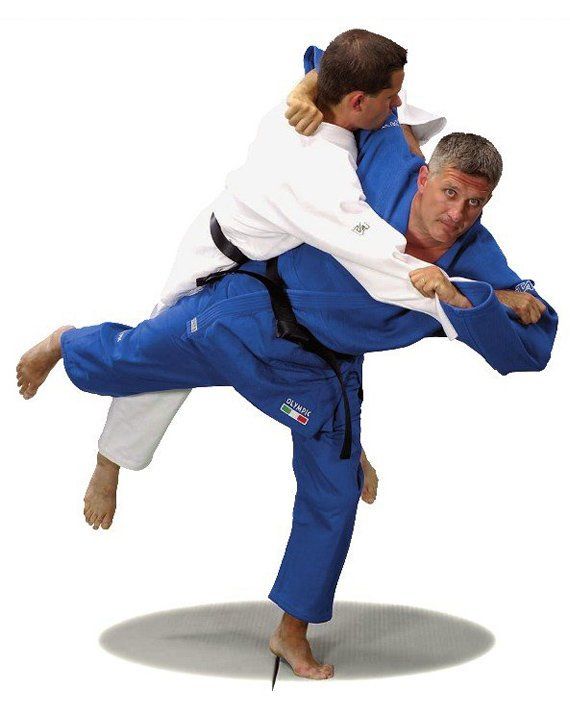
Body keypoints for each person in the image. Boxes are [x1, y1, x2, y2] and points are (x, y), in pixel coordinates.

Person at [17, 127, 558, 679]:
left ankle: (290, 631)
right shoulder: (383, 166)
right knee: (132, 360)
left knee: (337, 492)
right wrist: (308, 92)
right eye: (450, 192)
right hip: (250, 316)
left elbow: (532, 344)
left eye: (476, 202)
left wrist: (469, 296)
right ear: (424, 178)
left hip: (322, 372)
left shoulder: (476, 256)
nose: (458, 213)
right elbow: (354, 92)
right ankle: (69, 345)